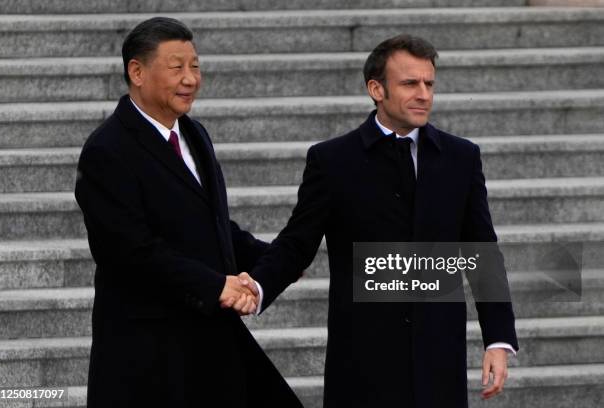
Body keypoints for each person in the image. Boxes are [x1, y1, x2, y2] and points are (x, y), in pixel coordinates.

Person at [250, 34, 519, 407]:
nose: (423, 93)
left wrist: (498, 338)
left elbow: (482, 250)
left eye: (429, 83)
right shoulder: (332, 161)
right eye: (410, 83)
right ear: (376, 89)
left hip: (437, 354)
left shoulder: (461, 158)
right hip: (362, 358)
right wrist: (258, 286)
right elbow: (297, 242)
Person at [75, 17, 303, 408]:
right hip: (150, 353)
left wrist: (271, 258)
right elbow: (132, 252)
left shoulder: (194, 133)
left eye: (195, 66)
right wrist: (216, 285)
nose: (191, 78)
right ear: (137, 72)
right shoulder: (107, 151)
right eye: (177, 67)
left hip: (210, 340)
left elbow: (211, 224)